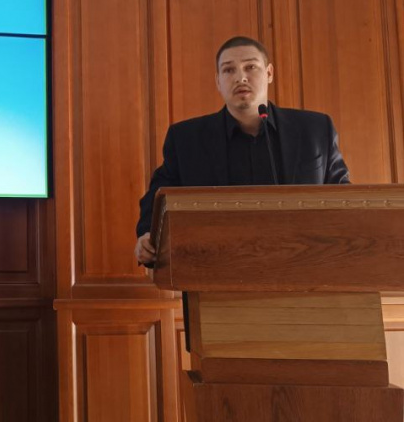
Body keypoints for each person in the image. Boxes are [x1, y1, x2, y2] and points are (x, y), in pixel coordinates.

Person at [135, 36, 350, 266]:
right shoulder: (186, 139)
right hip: (217, 268)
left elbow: (343, 195)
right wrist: (147, 235)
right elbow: (159, 196)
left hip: (305, 266)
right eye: (229, 70)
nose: (241, 77)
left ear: (269, 73)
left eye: (250, 67)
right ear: (218, 81)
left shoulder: (315, 130)